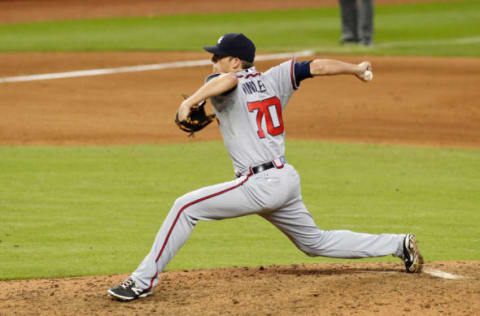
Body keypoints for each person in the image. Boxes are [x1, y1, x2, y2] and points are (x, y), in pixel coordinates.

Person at [108, 33, 423, 301]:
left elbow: (229, 81)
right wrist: (355, 68)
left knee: (185, 206)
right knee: (315, 243)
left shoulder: (222, 79)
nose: (212, 62)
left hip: (258, 184)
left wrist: (190, 101)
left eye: (217, 56)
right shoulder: (275, 78)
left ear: (235, 60)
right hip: (284, 178)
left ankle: (142, 281)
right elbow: (317, 66)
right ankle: (399, 244)